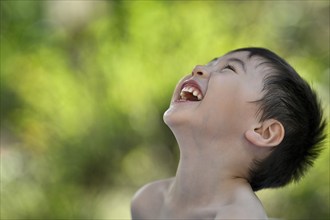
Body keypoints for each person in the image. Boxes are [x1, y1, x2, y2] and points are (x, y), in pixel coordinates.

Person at [130, 47, 326, 219]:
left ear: (263, 132)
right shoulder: (147, 202)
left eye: (228, 68)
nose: (199, 68)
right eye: (211, 63)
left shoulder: (239, 215)